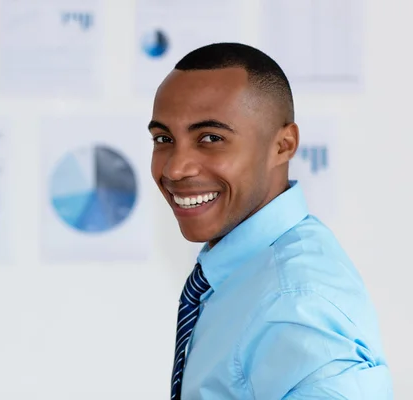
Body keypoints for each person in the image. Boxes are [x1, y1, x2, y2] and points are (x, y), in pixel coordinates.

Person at [148, 42, 393, 399]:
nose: (174, 167)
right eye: (164, 139)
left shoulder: (296, 304)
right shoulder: (242, 271)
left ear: (283, 145)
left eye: (211, 138)